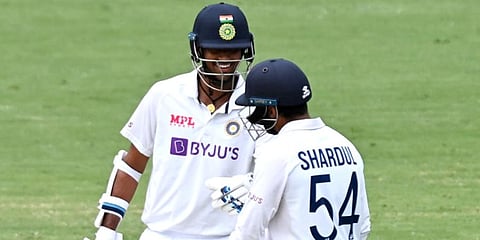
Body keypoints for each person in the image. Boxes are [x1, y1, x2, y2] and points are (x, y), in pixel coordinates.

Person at [86, 2, 258, 240]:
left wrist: (254, 184)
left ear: (246, 50)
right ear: (198, 49)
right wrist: (107, 229)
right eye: (214, 50)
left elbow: (276, 168)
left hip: (229, 236)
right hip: (161, 234)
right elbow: (132, 165)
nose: (225, 59)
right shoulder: (165, 95)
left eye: (233, 50)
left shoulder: (259, 104)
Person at [226, 58, 371, 239]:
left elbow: (248, 232)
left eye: (257, 108)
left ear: (272, 111)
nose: (255, 117)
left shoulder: (278, 152)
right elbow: (363, 226)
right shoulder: (347, 147)